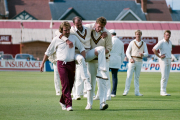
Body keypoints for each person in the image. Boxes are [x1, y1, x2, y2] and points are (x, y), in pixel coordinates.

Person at [58, 16, 108, 100]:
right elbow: (57, 33)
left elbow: (99, 25)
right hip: (76, 54)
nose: (79, 25)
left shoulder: (88, 27)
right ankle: (80, 90)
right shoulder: (72, 31)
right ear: (74, 24)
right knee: (78, 73)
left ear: (82, 21)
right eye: (77, 24)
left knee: (101, 49)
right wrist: (66, 40)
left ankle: (102, 71)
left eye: (80, 23)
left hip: (87, 53)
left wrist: (104, 31)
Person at [40, 21, 85, 111]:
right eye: (65, 30)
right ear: (61, 30)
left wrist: (83, 59)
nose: (67, 32)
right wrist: (42, 63)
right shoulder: (56, 39)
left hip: (71, 63)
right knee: (65, 84)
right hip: (61, 64)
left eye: (68, 30)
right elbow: (48, 52)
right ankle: (69, 105)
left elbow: (82, 48)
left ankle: (62, 101)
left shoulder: (74, 38)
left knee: (71, 84)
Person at [86, 17, 112, 110]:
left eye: (102, 27)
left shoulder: (107, 34)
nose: (100, 28)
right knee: (90, 83)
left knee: (102, 82)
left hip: (103, 61)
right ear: (95, 23)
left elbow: (109, 48)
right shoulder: (89, 30)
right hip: (91, 61)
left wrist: (101, 52)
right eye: (99, 26)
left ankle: (102, 103)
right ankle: (89, 104)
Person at [123, 30, 148, 96]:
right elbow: (127, 52)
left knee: (137, 77)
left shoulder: (144, 43)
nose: (138, 35)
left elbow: (147, 53)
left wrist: (143, 54)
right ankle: (126, 91)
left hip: (139, 61)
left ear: (141, 35)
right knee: (129, 76)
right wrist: (130, 58)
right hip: (132, 60)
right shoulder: (132, 42)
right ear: (135, 35)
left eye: (139, 34)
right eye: (137, 34)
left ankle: (137, 92)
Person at [152, 30, 172, 96]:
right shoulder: (161, 42)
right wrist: (159, 56)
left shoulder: (170, 42)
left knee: (167, 76)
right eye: (166, 35)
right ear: (164, 35)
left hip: (169, 59)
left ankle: (164, 91)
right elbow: (154, 49)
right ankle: (162, 91)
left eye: (169, 35)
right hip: (163, 60)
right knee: (163, 76)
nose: (167, 36)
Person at [109, 29, 125, 97]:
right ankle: (113, 93)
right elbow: (123, 54)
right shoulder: (121, 42)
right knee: (115, 77)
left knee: (105, 76)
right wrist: (120, 62)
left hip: (109, 60)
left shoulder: (109, 41)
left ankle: (106, 91)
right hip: (117, 61)